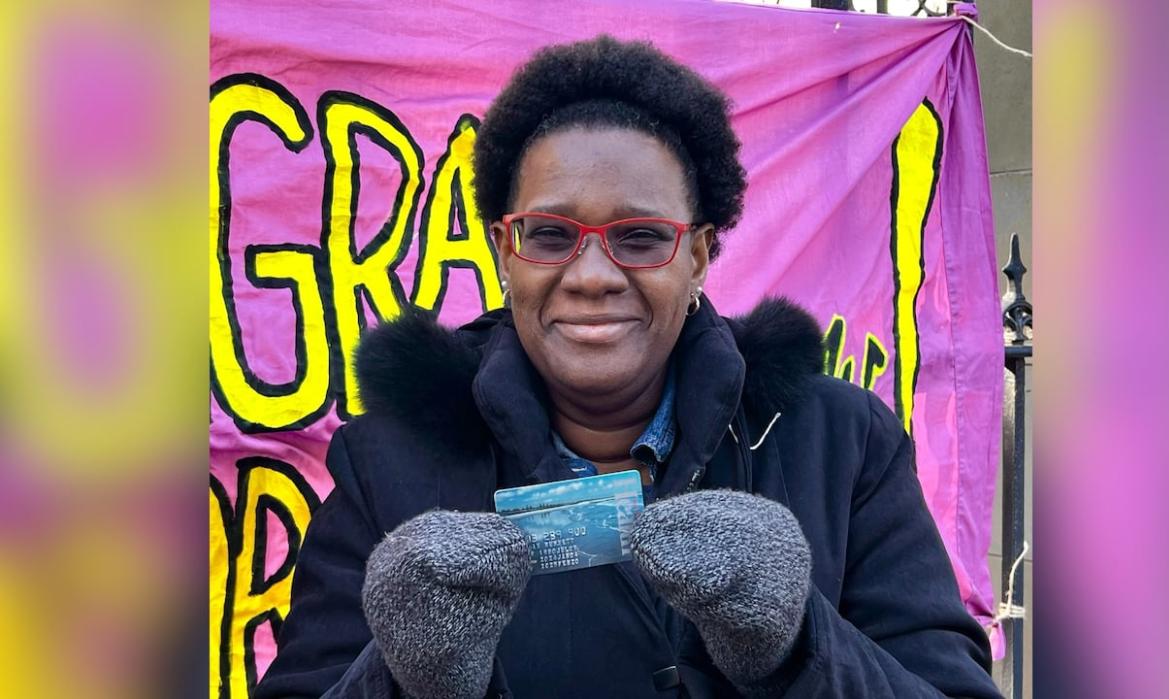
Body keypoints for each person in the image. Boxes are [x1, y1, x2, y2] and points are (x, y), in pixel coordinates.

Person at [254, 35, 1001, 699]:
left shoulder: (840, 441)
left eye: (640, 237)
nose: (590, 275)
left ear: (700, 254)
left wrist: (800, 647)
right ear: (503, 250)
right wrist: (401, 679)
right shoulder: (387, 460)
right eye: (549, 234)